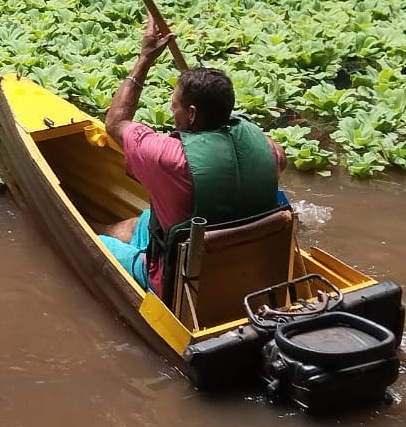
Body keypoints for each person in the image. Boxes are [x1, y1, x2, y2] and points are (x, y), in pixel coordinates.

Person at [95, 18, 286, 295]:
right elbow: (277, 158)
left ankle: (100, 233)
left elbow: (115, 123)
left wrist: (145, 58)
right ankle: (106, 227)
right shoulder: (269, 150)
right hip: (250, 266)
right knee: (144, 221)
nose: (173, 113)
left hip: (185, 282)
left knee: (97, 242)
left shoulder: (171, 158)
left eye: (175, 107)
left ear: (192, 114)